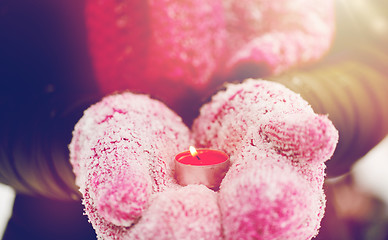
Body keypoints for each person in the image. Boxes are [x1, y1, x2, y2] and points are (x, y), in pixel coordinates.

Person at [0, 0, 387, 239]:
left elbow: (375, 61)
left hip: (278, 207)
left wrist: (288, 110)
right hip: (61, 221)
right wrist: (92, 140)